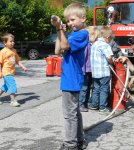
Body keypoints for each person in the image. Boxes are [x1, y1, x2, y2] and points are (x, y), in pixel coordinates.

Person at [51, 3, 89, 150]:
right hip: (70, 78)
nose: (70, 23)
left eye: (73, 19)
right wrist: (59, 31)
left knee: (69, 114)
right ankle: (79, 141)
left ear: (83, 18)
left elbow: (65, 47)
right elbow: (57, 50)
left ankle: (70, 144)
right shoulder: (73, 34)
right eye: (67, 20)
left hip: (72, 79)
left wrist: (60, 29)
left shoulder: (82, 34)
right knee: (74, 112)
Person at [88, 26, 114, 113]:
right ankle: (103, 107)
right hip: (104, 72)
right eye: (110, 39)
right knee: (104, 89)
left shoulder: (94, 44)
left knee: (96, 88)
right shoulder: (105, 45)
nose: (110, 41)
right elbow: (109, 57)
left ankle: (94, 105)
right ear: (107, 37)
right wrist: (112, 62)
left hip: (95, 72)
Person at [0, 33, 27, 106]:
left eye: (13, 41)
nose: (13, 42)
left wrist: (23, 67)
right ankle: (13, 101)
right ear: (5, 43)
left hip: (11, 71)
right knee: (12, 84)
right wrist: (0, 72)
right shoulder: (3, 51)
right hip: (6, 71)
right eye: (10, 41)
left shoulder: (14, 50)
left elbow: (17, 61)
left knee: (5, 86)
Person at [79, 26, 99, 112]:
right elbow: (84, 59)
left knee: (88, 87)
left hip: (90, 70)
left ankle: (85, 103)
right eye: (96, 37)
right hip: (85, 70)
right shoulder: (86, 45)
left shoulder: (91, 45)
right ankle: (81, 104)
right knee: (84, 88)